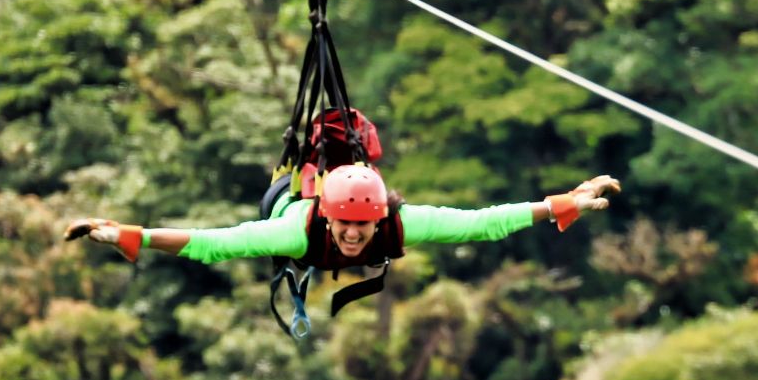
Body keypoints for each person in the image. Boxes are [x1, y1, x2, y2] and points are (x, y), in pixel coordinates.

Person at [63, 167, 621, 268]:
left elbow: (482, 222)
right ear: (328, 219)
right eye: (346, 226)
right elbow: (215, 243)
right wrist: (129, 236)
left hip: (332, 200)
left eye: (363, 227)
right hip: (288, 198)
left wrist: (565, 203)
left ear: (379, 220)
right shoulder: (294, 229)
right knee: (249, 242)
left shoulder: (400, 222)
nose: (354, 235)